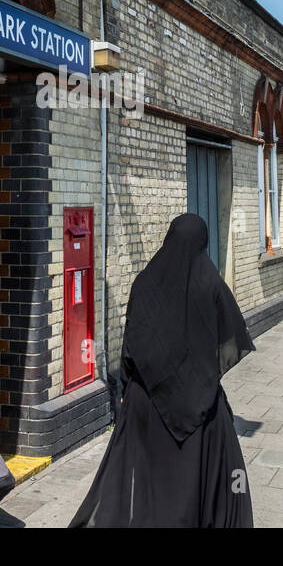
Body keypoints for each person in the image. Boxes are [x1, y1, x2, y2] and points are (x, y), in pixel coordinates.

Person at [70, 213, 256, 528]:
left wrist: (127, 391)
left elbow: (129, 346)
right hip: (199, 404)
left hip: (146, 403)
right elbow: (230, 342)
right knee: (191, 480)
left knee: (148, 478)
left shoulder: (144, 282)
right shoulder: (211, 284)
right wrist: (201, 371)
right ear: (202, 242)